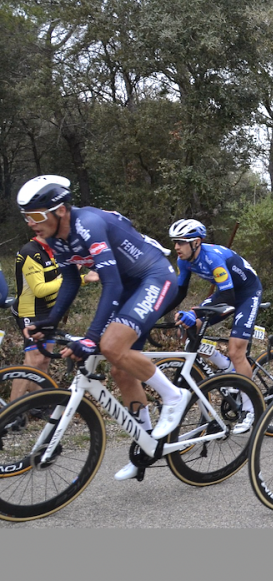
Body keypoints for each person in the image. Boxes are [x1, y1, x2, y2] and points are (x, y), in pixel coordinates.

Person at [17, 175, 186, 482]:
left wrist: (92, 339)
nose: (31, 223)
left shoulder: (88, 225)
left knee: (110, 346)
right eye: (27, 217)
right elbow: (70, 280)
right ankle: (147, 443)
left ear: (61, 211)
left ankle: (174, 397)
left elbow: (111, 283)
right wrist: (51, 320)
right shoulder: (56, 238)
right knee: (121, 370)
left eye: (37, 216)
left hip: (153, 278)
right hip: (128, 287)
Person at [161, 218, 263, 432]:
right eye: (175, 242)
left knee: (237, 351)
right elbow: (180, 292)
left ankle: (251, 408)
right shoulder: (184, 260)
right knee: (192, 327)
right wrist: (156, 314)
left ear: (196, 242)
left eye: (181, 242)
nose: (176, 247)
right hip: (226, 292)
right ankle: (225, 367)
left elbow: (228, 294)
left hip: (246, 294)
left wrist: (193, 312)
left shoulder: (213, 258)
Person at [10, 235, 98, 402]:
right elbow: (40, 289)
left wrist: (78, 275)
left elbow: (57, 280)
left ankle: (38, 405)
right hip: (30, 311)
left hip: (49, 312)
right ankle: (10, 412)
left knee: (44, 360)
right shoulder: (31, 252)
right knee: (32, 361)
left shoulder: (55, 250)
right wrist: (81, 278)